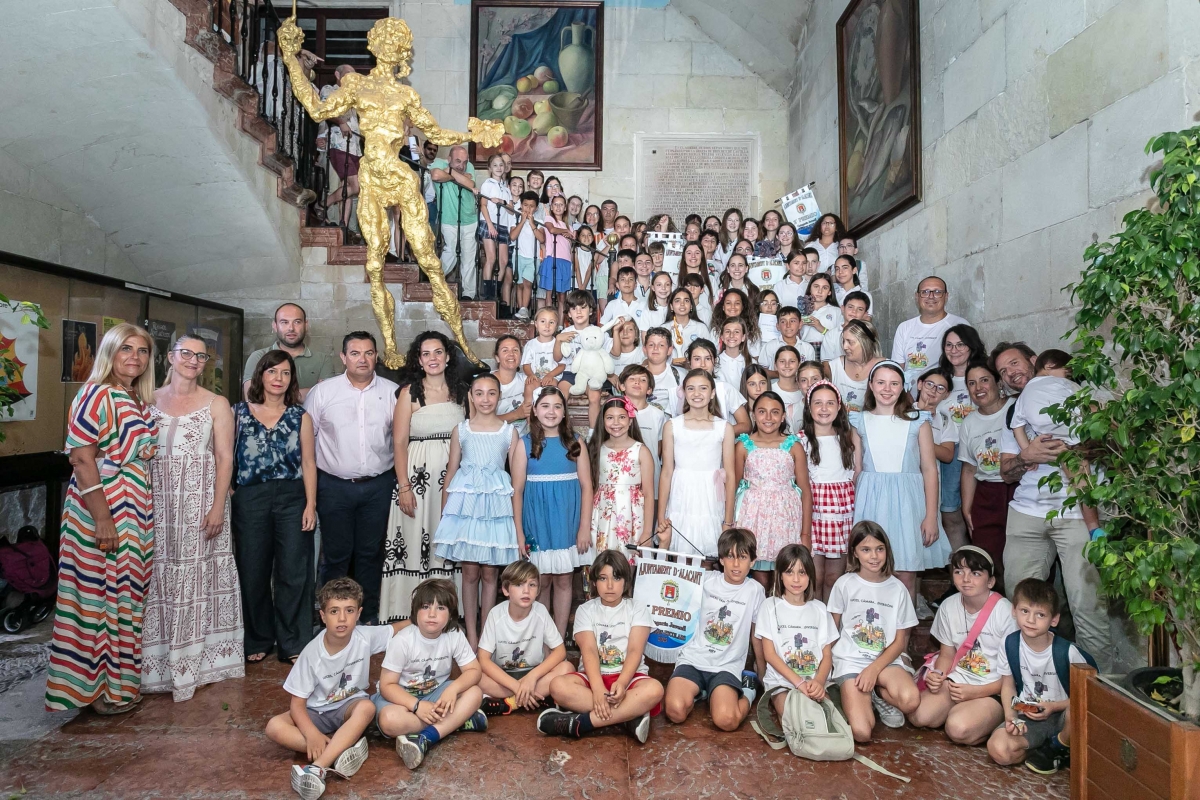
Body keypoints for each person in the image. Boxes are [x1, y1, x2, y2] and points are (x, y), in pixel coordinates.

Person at [46, 324, 159, 715]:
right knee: (96, 598)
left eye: (142, 351)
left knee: (124, 597)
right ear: (109, 352)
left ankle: (118, 687)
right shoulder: (94, 394)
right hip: (103, 507)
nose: (135, 357)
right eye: (125, 348)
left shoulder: (132, 398)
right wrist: (103, 519)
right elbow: (81, 458)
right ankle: (89, 692)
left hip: (134, 508)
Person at [993, 342, 1113, 669]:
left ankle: (1097, 696)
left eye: (1014, 363)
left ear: (1035, 361)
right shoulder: (1014, 411)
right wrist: (1024, 456)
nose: (1010, 373)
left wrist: (1073, 446)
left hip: (1076, 514)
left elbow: (1111, 446)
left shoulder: (1078, 396)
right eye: (1003, 371)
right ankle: (1025, 682)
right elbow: (1005, 472)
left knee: (1087, 606)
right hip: (1025, 515)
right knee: (1019, 602)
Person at [143, 335, 244, 701]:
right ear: (170, 357)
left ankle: (197, 660)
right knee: (157, 569)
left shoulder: (217, 403)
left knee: (197, 570)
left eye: (200, 356)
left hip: (200, 500)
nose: (192, 360)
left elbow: (225, 458)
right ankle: (157, 662)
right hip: (156, 499)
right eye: (186, 353)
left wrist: (218, 505)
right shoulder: (147, 399)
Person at [267, 578, 407, 800]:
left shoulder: (364, 637)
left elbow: (396, 629)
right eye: (334, 611)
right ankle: (340, 749)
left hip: (347, 707)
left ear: (358, 613)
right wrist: (312, 734)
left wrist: (423, 615)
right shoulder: (311, 654)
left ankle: (317, 767)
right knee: (274, 726)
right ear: (322, 616)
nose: (342, 618)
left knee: (367, 707)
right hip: (316, 712)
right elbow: (297, 705)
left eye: (349, 610)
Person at [306, 332, 398, 624]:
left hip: (378, 485)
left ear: (376, 357)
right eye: (355, 353)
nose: (362, 359)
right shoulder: (323, 393)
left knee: (371, 553)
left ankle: (368, 616)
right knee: (335, 555)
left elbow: (400, 439)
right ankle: (330, 618)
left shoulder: (393, 392)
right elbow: (308, 440)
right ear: (343, 357)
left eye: (369, 353)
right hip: (334, 485)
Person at [234, 351, 318, 664]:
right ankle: (257, 637)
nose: (278, 379)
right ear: (260, 376)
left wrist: (311, 504)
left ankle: (294, 641)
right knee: (252, 568)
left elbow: (309, 462)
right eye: (272, 372)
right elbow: (226, 456)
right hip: (251, 498)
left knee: (294, 570)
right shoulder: (239, 413)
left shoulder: (300, 417)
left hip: (293, 497)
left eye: (285, 373)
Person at [380, 334, 467, 624]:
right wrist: (403, 486)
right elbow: (399, 442)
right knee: (418, 538)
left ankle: (448, 612)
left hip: (453, 481)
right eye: (426, 353)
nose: (433, 358)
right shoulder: (409, 393)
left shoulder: (460, 391)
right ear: (418, 360)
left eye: (438, 352)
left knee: (449, 541)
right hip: (418, 481)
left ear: (448, 357)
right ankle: (410, 613)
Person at [537, 551, 664, 743]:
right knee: (557, 686)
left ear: (626, 582)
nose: (610, 585)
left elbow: (634, 651)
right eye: (603, 578)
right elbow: (588, 651)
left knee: (655, 689)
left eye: (617, 577)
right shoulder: (585, 610)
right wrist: (597, 689)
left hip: (629, 679)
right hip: (592, 677)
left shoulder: (637, 608)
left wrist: (621, 683)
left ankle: (582, 723)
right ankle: (627, 719)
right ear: (594, 582)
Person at [433, 373, 520, 649]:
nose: (485, 399)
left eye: (491, 393)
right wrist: (446, 512)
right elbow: (451, 470)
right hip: (467, 508)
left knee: (491, 574)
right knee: (469, 573)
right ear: (471, 396)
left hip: (494, 508)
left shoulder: (509, 431)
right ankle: (470, 634)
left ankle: (486, 634)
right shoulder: (462, 429)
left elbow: (517, 482)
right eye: (479, 393)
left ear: (499, 396)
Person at [852, 361, 951, 599]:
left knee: (906, 573)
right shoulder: (858, 421)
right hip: (871, 502)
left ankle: (903, 632)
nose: (887, 389)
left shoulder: (918, 420)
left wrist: (931, 516)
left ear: (903, 387)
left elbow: (929, 469)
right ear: (871, 385)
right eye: (881, 382)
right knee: (871, 569)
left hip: (908, 503)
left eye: (894, 383)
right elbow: (856, 470)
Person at [987, 578, 1097, 774]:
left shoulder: (1067, 652)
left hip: (1063, 714)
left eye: (1040, 614)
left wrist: (1054, 706)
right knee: (998, 749)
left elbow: (1091, 694)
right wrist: (1012, 717)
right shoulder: (1009, 644)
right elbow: (1008, 686)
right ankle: (1047, 748)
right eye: (1024, 611)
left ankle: (1061, 744)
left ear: (1053, 619)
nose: (1030, 620)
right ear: (1014, 611)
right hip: (1029, 711)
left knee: (1079, 709)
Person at [374, 578, 487, 770]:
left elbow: (474, 671)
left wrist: (453, 690)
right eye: (425, 607)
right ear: (415, 611)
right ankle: (456, 723)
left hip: (436, 693)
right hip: (400, 697)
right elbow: (387, 685)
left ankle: (426, 737)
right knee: (389, 721)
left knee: (475, 692)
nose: (432, 614)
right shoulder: (403, 640)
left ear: (451, 614)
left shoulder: (454, 634)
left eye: (440, 608)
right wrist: (417, 706)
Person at [909, 546, 1014, 745]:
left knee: (958, 728)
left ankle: (991, 718)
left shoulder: (1005, 612)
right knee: (919, 715)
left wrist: (976, 692)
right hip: (958, 680)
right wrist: (938, 675)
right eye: (959, 572)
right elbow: (947, 654)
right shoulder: (949, 606)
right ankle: (967, 714)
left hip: (994, 689)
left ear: (990, 581)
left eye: (975, 573)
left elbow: (1014, 673)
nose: (966, 579)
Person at [665, 528, 766, 731]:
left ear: (753, 561)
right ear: (721, 559)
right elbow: (669, 579)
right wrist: (665, 543)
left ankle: (748, 690)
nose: (736, 564)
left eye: (743, 557)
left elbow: (757, 636)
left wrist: (763, 675)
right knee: (675, 711)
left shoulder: (755, 590)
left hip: (726, 665)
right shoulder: (706, 579)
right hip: (694, 659)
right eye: (730, 557)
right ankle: (702, 692)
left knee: (726, 721)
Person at [828, 522, 921, 742]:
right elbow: (831, 631)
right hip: (851, 661)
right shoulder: (844, 584)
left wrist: (873, 670)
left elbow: (899, 642)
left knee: (911, 701)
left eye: (880, 549)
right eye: (866, 549)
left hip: (885, 661)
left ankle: (879, 694)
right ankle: (856, 695)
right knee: (861, 732)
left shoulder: (897, 588)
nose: (874, 556)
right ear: (855, 553)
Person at [511, 387, 592, 636]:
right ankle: (542, 638)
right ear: (535, 410)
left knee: (565, 578)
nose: (551, 411)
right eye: (545, 406)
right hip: (537, 522)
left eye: (557, 406)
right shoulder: (525, 445)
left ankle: (558, 638)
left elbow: (587, 486)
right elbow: (517, 492)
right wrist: (519, 534)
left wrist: (584, 528)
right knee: (541, 580)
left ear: (564, 412)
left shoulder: (575, 442)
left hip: (567, 522)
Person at [1009, 350, 1102, 534]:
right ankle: (1094, 527)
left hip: (1055, 441)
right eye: (1068, 372)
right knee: (1084, 486)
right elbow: (1085, 405)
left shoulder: (1024, 394)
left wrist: (1028, 452)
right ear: (1050, 365)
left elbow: (1017, 427)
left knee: (1079, 480)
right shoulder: (1066, 384)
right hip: (1075, 434)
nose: (1070, 377)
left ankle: (1093, 528)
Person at [734, 393, 812, 588]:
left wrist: (805, 534)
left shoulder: (793, 446)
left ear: (783, 416)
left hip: (785, 519)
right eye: (762, 412)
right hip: (753, 518)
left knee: (783, 574)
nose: (768, 418)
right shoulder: (743, 446)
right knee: (759, 579)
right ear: (753, 415)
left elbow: (805, 491)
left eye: (775, 412)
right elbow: (733, 486)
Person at [657, 369, 736, 559]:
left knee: (708, 560)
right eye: (690, 389)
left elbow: (731, 475)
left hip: (710, 498)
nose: (696, 394)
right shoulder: (672, 426)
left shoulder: (724, 427)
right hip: (681, 496)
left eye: (703, 388)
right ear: (683, 392)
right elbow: (666, 472)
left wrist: (728, 520)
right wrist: (661, 516)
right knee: (680, 560)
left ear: (712, 393)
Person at [477, 561, 573, 715]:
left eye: (532, 585)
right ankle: (533, 697)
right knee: (475, 676)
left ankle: (509, 703)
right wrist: (517, 687)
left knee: (567, 669)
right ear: (506, 590)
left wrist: (532, 678)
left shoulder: (540, 612)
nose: (526, 591)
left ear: (538, 590)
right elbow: (483, 659)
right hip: (503, 678)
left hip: (534, 676)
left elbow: (560, 651)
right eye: (519, 585)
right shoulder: (496, 615)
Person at [755, 544, 839, 715]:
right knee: (795, 716)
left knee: (828, 717)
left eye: (802, 572)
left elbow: (827, 654)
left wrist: (819, 681)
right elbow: (769, 654)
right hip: (782, 683)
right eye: (789, 572)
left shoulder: (820, 609)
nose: (795, 579)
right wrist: (799, 683)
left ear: (810, 575)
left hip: (814, 681)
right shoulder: (770, 606)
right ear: (779, 575)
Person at [800, 382, 861, 601]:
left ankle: (830, 625)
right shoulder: (800, 440)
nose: (824, 409)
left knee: (834, 578)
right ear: (809, 408)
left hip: (841, 513)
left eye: (830, 403)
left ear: (839, 407)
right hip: (813, 514)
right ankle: (813, 625)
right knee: (812, 576)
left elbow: (857, 472)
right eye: (818, 403)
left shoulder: (848, 436)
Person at [957, 361, 1016, 581]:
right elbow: (969, 468)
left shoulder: (1015, 407)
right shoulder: (969, 422)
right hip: (986, 494)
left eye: (984, 380)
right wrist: (967, 508)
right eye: (971, 383)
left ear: (998, 382)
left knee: (1021, 554)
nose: (978, 387)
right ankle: (995, 608)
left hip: (1018, 489)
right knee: (987, 556)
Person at [932, 325, 988, 552]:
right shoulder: (939, 378)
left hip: (981, 448)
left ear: (972, 346)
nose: (954, 350)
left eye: (960, 344)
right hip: (950, 451)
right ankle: (961, 568)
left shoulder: (984, 375)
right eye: (949, 345)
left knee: (977, 514)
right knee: (950, 512)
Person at [587, 396, 656, 561]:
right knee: (602, 561)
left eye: (622, 417)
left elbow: (648, 494)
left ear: (630, 420)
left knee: (628, 562)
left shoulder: (641, 451)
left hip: (631, 515)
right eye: (610, 417)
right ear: (603, 421)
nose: (616, 423)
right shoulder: (596, 449)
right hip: (601, 514)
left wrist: (647, 532)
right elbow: (591, 488)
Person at [243, 303, 336, 402]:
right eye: (284, 322)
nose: (291, 328)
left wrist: (273, 392)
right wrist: (309, 393)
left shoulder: (323, 360)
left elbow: (326, 399)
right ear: (275, 326)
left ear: (306, 325)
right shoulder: (258, 357)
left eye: (297, 322)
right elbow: (252, 398)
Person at [891, 276, 970, 392]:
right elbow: (897, 369)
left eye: (937, 292)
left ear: (946, 296)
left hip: (948, 396)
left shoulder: (959, 325)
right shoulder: (904, 327)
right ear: (917, 296)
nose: (931, 296)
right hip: (910, 400)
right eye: (925, 292)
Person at [554, 289, 608, 428]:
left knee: (595, 397)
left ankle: (592, 433)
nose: (578, 312)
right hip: (570, 373)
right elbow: (557, 358)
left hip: (591, 374)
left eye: (583, 307)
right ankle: (561, 429)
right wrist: (558, 340)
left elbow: (606, 355)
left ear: (590, 311)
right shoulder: (566, 332)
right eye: (574, 308)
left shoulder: (597, 332)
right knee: (560, 394)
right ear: (569, 313)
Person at [431, 145, 478, 297]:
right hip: (448, 217)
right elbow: (436, 176)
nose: (462, 165)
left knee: (469, 257)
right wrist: (457, 175)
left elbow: (470, 184)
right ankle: (435, 280)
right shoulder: (439, 163)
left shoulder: (468, 165)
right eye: (458, 161)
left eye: (464, 162)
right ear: (449, 159)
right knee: (450, 250)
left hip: (470, 218)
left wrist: (450, 172)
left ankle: (469, 294)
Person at [478, 154, 513, 302]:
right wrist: (490, 225)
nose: (499, 168)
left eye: (501, 165)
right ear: (490, 168)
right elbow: (483, 205)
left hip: (503, 224)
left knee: (504, 261)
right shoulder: (488, 184)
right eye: (495, 165)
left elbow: (511, 208)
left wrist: (502, 201)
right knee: (491, 258)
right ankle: (487, 293)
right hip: (489, 222)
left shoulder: (506, 188)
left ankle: (495, 290)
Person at [830, 319, 882, 413]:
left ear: (865, 342)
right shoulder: (834, 367)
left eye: (850, 342)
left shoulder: (884, 368)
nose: (845, 346)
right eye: (843, 341)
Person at [509, 190, 540, 319]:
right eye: (526, 205)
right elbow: (512, 236)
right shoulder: (515, 218)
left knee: (528, 283)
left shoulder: (539, 220)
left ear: (536, 208)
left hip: (533, 257)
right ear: (521, 205)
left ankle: (524, 309)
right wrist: (522, 221)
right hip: (518, 255)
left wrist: (532, 223)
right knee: (519, 284)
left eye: (531, 206)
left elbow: (542, 238)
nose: (528, 209)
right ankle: (522, 310)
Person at [493, 334, 530, 433]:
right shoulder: (487, 383)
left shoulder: (527, 381)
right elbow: (482, 422)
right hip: (495, 440)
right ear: (497, 357)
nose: (511, 354)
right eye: (505, 350)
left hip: (521, 441)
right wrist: (516, 414)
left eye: (515, 350)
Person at [521, 307, 564, 388]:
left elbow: (562, 365)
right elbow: (526, 364)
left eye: (551, 322)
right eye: (543, 321)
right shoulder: (530, 345)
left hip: (552, 377)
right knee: (529, 386)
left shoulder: (558, 344)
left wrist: (549, 375)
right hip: (535, 377)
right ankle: (527, 401)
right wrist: (531, 375)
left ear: (556, 326)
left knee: (550, 387)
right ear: (536, 324)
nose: (547, 326)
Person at [664, 288, 709, 364]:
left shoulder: (701, 328)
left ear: (691, 306)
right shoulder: (664, 328)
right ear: (671, 306)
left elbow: (709, 353)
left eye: (686, 300)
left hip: (695, 372)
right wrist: (671, 362)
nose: (682, 304)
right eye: (677, 300)